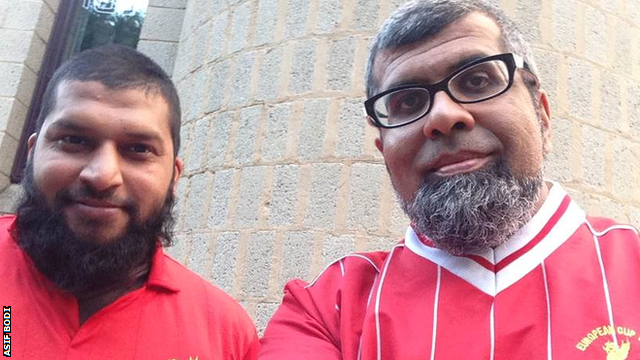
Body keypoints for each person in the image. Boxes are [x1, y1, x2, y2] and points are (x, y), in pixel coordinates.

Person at [258, 1, 640, 359]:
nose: (442, 115)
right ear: (384, 151)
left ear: (542, 116)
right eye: (406, 101)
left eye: (477, 81)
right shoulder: (325, 312)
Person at [0, 45, 259, 360]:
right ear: (31, 155)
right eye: (73, 140)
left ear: (174, 177)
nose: (102, 175)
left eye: (138, 148)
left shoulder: (227, 335)